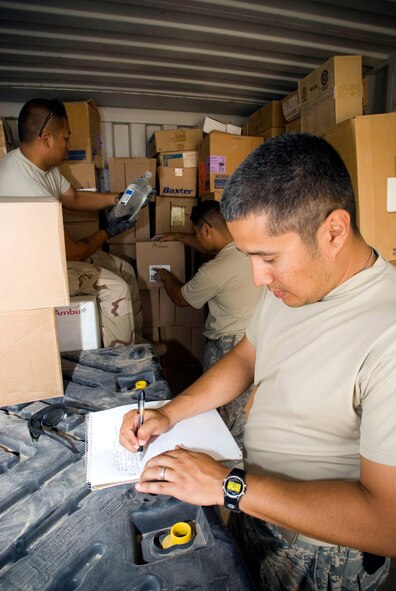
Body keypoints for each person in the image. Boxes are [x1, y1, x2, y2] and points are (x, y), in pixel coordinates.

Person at [120, 133, 396, 590]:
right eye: (249, 257)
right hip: (254, 503)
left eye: (268, 258)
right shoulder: (289, 287)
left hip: (321, 551)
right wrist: (170, 413)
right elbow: (246, 357)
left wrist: (227, 485)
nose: (258, 277)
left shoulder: (386, 332)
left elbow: (386, 523)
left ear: (333, 230)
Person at [0, 98, 143, 347]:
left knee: (126, 271)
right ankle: (121, 360)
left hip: (51, 257)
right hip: (33, 273)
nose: (69, 144)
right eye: (66, 137)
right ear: (47, 138)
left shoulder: (41, 167)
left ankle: (135, 342)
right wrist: (107, 231)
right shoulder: (26, 187)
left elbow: (74, 198)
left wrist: (116, 199)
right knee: (116, 289)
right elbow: (74, 251)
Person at [154, 200, 263, 447]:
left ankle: (228, 466)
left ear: (205, 229)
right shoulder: (251, 249)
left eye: (196, 232)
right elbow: (210, 241)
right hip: (256, 340)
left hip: (229, 348)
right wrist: (179, 237)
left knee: (222, 414)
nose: (196, 237)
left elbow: (181, 298)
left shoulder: (215, 269)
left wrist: (165, 276)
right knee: (243, 410)